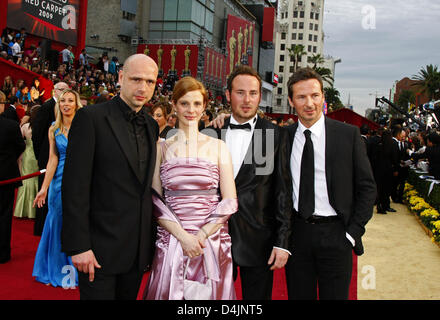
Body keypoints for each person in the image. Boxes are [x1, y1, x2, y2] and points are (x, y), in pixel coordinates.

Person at [61, 54, 159, 300]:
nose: (143, 87)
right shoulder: (91, 118)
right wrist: (79, 246)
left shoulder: (151, 125)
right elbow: (75, 187)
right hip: (98, 249)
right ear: (121, 77)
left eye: (150, 82)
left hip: (136, 252)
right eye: (136, 79)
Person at [284, 67, 376, 300]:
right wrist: (220, 122)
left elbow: (367, 188)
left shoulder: (348, 135)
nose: (309, 103)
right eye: (301, 97)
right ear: (291, 101)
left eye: (315, 95)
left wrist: (352, 233)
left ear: (323, 97)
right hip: (297, 235)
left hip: (337, 234)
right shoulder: (281, 137)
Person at [143, 76, 238, 300]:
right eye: (184, 103)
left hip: (211, 240)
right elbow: (156, 201)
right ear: (174, 105)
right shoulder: (161, 148)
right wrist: (183, 237)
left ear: (204, 106)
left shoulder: (219, 146)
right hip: (172, 239)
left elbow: (230, 200)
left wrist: (201, 235)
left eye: (197, 104)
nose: (191, 110)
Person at [210, 65, 292, 300]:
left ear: (259, 96)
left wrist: (282, 241)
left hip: (259, 240)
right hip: (214, 237)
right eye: (240, 92)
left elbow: (283, 192)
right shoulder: (211, 132)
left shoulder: (274, 135)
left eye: (253, 93)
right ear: (227, 95)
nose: (247, 100)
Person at [32, 89, 82, 287]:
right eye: (63, 101)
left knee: (77, 222)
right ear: (58, 104)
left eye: (70, 100)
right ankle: (58, 270)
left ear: (77, 104)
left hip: (80, 179)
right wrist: (44, 187)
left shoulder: (84, 126)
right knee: (57, 222)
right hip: (59, 181)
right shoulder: (54, 128)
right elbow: (53, 159)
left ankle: (77, 268)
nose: (66, 104)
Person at [32, 81, 69, 236]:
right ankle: (41, 229)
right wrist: (40, 158)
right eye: (61, 90)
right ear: (54, 91)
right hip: (49, 161)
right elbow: (37, 135)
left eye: (67, 91)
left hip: (66, 166)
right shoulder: (45, 108)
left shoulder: (76, 119)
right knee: (46, 200)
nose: (64, 94)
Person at [0, 90, 26, 263]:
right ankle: (2, 253)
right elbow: (20, 146)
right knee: (4, 215)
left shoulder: (11, 125)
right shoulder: (10, 126)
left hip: (6, 176)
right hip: (6, 175)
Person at [13, 105, 41, 219]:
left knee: (25, 180)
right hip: (37, 154)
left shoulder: (25, 127)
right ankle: (33, 211)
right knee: (35, 179)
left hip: (27, 154)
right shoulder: (41, 127)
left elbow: (18, 141)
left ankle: (21, 210)